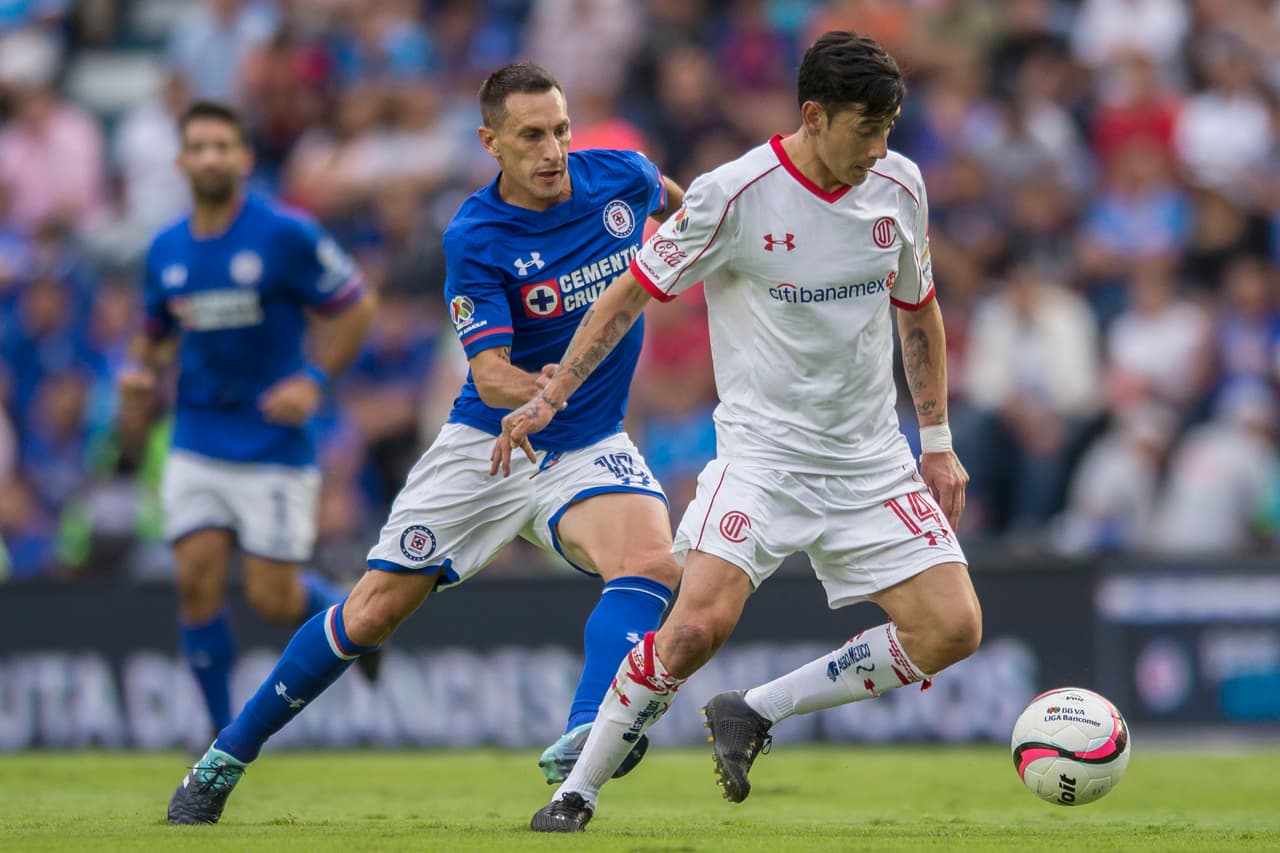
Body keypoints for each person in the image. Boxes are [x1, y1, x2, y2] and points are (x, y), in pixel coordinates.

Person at [166, 62, 686, 824]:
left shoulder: (623, 178)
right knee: (371, 613)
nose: (553, 150)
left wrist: (690, 242)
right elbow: (490, 371)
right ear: (491, 143)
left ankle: (584, 732)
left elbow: (684, 208)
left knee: (650, 561)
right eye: (532, 136)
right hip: (486, 444)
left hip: (585, 440)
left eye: (562, 130)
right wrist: (542, 393)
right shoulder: (476, 234)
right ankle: (222, 758)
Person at [498, 31, 982, 832]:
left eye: (889, 129)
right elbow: (629, 292)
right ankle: (574, 792)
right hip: (762, 459)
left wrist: (936, 441)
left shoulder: (899, 184)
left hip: (871, 461)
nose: (879, 147)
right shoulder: (732, 193)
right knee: (691, 629)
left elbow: (918, 305)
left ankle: (755, 711)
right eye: (866, 129)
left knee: (953, 627)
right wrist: (553, 394)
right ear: (814, 115)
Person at [121, 101, 376, 740]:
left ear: (243, 157)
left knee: (272, 600)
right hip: (197, 435)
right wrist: (140, 375)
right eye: (198, 147)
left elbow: (357, 306)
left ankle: (350, 614)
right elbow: (153, 335)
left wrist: (313, 381)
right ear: (180, 161)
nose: (209, 157)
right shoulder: (165, 250)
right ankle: (216, 741)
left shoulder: (285, 234)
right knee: (195, 577)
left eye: (221, 146)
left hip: (272, 441)